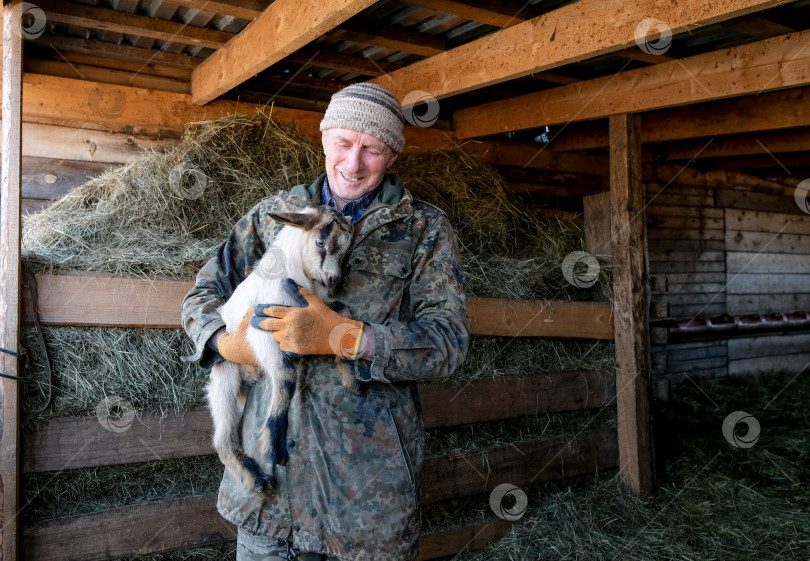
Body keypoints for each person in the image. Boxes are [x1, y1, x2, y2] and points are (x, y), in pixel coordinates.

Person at [181, 83, 470, 561]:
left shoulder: (423, 230)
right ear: (322, 138)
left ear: (393, 154)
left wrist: (348, 338)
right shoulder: (274, 217)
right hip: (268, 496)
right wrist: (227, 344)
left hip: (366, 508)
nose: (353, 163)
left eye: (372, 149)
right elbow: (201, 295)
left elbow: (449, 343)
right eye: (343, 143)